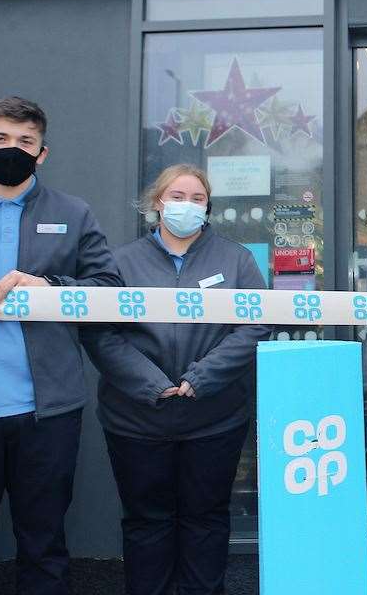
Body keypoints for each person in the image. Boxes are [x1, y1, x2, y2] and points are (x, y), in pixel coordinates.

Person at [0, 97, 123, 594]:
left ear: (42, 153)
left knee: (44, 549)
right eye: (0, 138)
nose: (12, 149)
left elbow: (109, 289)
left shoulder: (73, 212)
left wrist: (55, 288)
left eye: (25, 141)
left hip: (47, 412)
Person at [81, 164, 269, 595]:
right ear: (157, 204)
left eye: (197, 198)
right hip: (136, 422)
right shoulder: (119, 262)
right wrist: (150, 383)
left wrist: (202, 377)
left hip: (213, 420)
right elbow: (98, 330)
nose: (187, 206)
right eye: (177, 197)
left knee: (206, 520)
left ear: (209, 207)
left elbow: (256, 324)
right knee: (147, 523)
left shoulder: (236, 259)